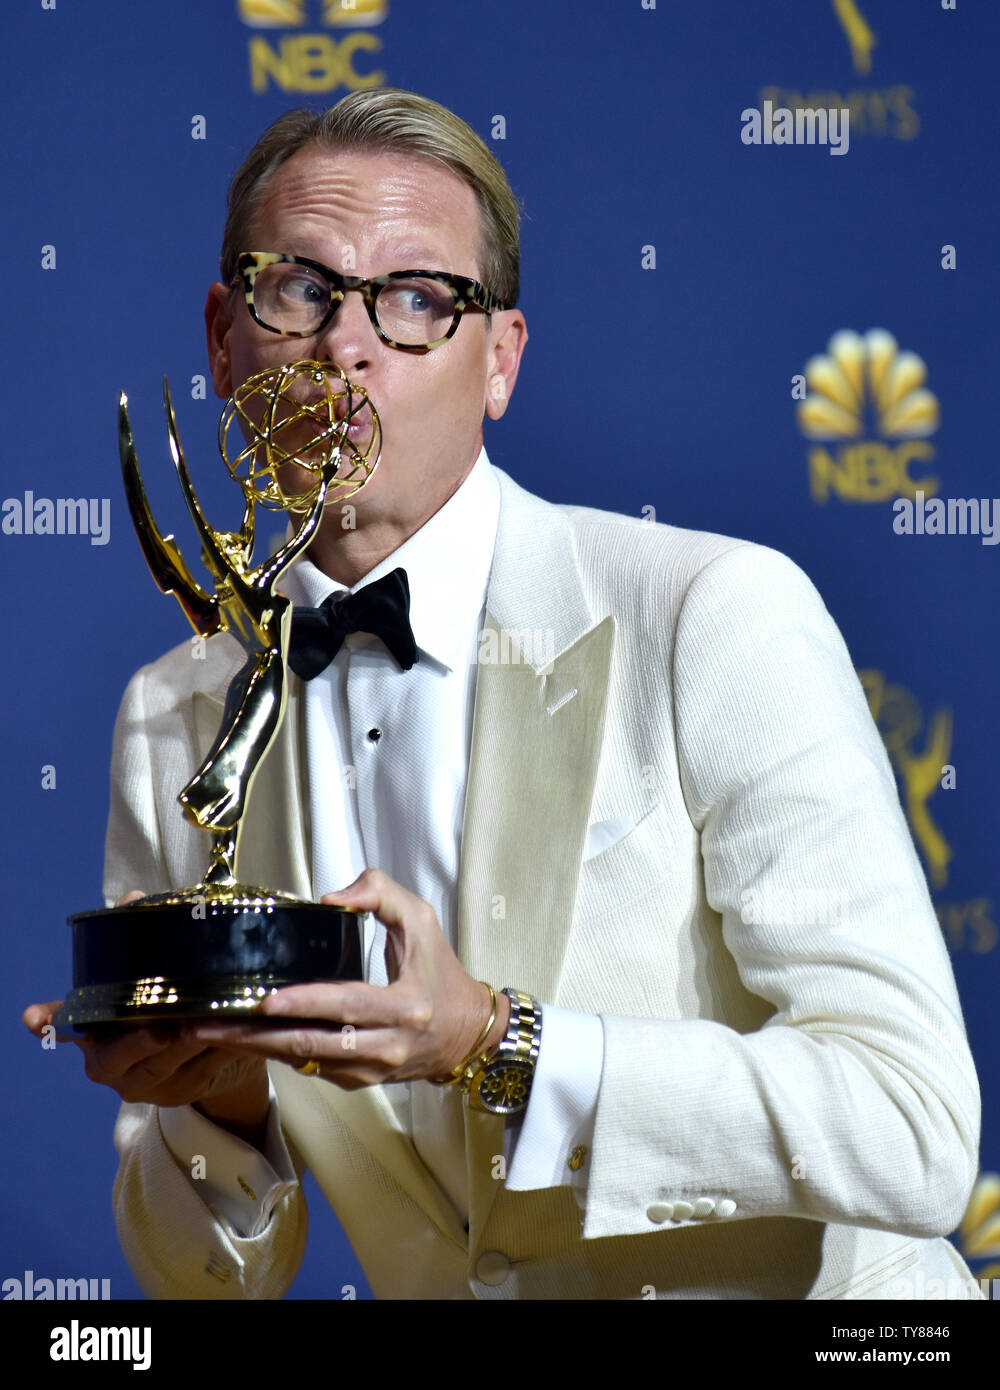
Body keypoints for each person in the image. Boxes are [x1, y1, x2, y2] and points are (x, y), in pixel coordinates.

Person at [25, 87, 982, 1300]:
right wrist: (224, 1107)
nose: (345, 346)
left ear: (501, 363)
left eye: (417, 299)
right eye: (298, 289)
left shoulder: (707, 612)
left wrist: (495, 1039)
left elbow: (914, 1129)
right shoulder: (173, 716)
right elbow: (198, 1284)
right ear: (224, 336)